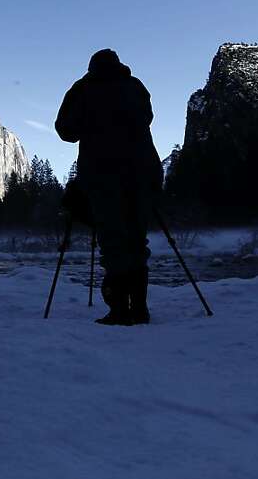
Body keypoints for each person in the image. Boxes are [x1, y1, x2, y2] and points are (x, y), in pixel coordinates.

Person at [55, 49, 163, 325]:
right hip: (142, 172)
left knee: (114, 240)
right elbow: (147, 117)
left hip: (104, 176)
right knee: (137, 239)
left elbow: (65, 130)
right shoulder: (135, 86)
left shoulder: (84, 89)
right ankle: (139, 308)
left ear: (91, 69)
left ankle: (119, 310)